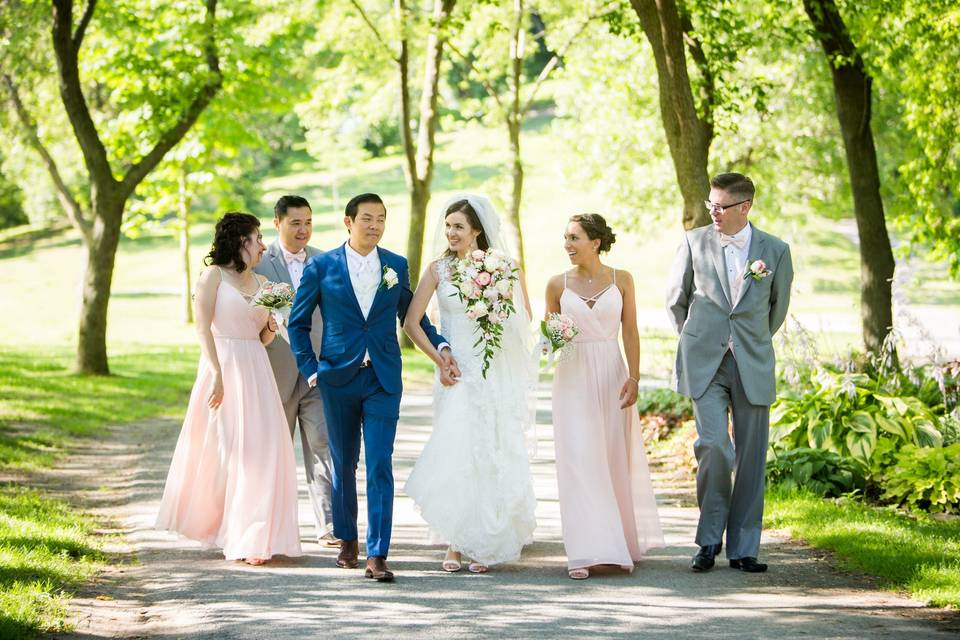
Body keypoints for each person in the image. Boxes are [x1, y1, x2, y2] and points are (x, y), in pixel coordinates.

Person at [288, 193, 457, 583]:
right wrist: (311, 370)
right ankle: (347, 537)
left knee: (380, 463)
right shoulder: (321, 266)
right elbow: (297, 324)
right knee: (343, 462)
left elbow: (412, 316)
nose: (375, 225)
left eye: (381, 218)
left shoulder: (396, 265)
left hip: (382, 378)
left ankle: (378, 553)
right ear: (348, 222)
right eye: (367, 218)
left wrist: (442, 345)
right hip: (337, 378)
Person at [157, 212, 302, 565]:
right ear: (240, 242)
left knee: (263, 449)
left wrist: (271, 323)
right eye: (257, 237)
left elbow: (265, 339)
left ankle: (257, 533)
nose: (263, 245)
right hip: (223, 365)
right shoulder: (213, 277)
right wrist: (216, 372)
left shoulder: (264, 283)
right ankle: (230, 529)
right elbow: (202, 329)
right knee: (227, 452)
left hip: (256, 369)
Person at [666, 172, 793, 573]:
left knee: (752, 458)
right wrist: (699, 340)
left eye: (721, 206)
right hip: (706, 363)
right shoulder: (693, 242)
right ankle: (708, 541)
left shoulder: (776, 251)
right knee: (715, 447)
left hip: (752, 362)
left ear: (745, 207)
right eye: (711, 205)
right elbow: (676, 301)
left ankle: (743, 549)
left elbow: (777, 309)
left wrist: (746, 342)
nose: (714, 213)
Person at [403, 195, 538, 574]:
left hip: (492, 371)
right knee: (459, 452)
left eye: (459, 226)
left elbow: (523, 320)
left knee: (491, 449)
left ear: (477, 230)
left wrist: (498, 313)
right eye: (448, 226)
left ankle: (488, 538)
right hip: (456, 373)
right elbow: (412, 323)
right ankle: (456, 542)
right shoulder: (437, 270)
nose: (451, 233)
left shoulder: (504, 268)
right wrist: (440, 358)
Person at [544, 213, 664, 580]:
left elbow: (631, 331)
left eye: (574, 237)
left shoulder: (622, 280)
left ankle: (616, 543)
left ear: (595, 242)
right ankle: (583, 551)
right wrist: (553, 335)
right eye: (565, 238)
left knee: (611, 457)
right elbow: (551, 342)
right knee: (579, 459)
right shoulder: (555, 285)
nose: (567, 244)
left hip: (612, 373)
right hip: (573, 377)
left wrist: (634, 377)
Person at [253, 195, 337, 546]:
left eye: (308, 222)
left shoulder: (326, 260)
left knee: (323, 444)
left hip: (318, 371)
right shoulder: (259, 263)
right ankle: (266, 525)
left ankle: (329, 525)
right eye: (295, 223)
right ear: (277, 223)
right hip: (276, 371)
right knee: (273, 449)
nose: (303, 230)